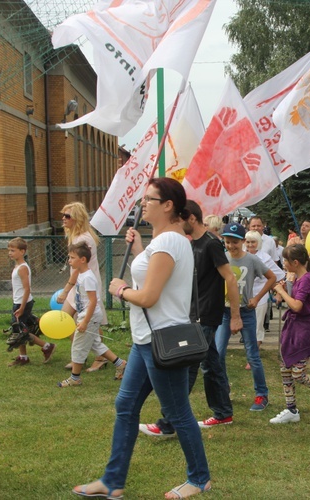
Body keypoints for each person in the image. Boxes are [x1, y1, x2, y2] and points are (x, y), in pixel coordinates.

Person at [74, 178, 211, 499]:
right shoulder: (164, 241)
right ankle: (112, 481)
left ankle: (199, 478)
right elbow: (156, 277)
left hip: (161, 342)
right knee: (126, 405)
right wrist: (138, 251)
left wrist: (121, 289)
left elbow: (149, 296)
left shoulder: (168, 243)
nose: (142, 203)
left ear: (168, 206)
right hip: (146, 341)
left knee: (177, 412)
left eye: (150, 198)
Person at [139, 200, 242, 437]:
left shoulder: (211, 245)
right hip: (194, 314)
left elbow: (231, 279)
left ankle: (169, 424)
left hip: (205, 316)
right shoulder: (191, 243)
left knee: (187, 367)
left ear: (191, 219)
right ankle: (223, 413)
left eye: (179, 219)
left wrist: (235, 316)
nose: (175, 223)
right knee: (211, 366)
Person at [214, 223, 276, 412]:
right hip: (224, 313)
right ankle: (224, 389)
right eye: (227, 242)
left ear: (242, 241)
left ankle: (261, 395)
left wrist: (257, 298)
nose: (231, 246)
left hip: (246, 312)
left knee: (252, 355)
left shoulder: (251, 260)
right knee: (218, 353)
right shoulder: (222, 258)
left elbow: (272, 278)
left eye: (234, 242)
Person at [270, 244, 310, 424]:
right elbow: (293, 302)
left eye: (285, 260)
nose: (283, 263)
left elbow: (297, 306)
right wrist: (283, 292)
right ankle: (291, 410)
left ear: (295, 262)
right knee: (285, 369)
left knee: (298, 373)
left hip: (303, 331)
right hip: (293, 329)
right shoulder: (299, 278)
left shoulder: (306, 280)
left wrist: (282, 291)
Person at [58, 242, 126, 388]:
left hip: (89, 316)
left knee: (77, 346)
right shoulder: (81, 275)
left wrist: (84, 321)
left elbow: (93, 301)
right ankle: (121, 364)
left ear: (82, 259)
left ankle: (75, 378)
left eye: (72, 257)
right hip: (87, 315)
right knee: (95, 344)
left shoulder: (88, 277)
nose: (69, 260)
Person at [56, 202, 109, 372]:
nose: (63, 219)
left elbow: (78, 267)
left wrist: (65, 290)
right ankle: (81, 356)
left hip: (86, 285)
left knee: (87, 321)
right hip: (79, 284)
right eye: (63, 215)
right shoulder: (77, 237)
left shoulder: (84, 239)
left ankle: (98, 357)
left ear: (77, 218)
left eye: (67, 216)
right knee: (72, 320)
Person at [6, 237, 56, 366]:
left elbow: (27, 289)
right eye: (9, 250)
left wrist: (22, 307)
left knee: (21, 332)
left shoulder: (22, 268)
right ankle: (23, 357)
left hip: (22, 303)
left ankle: (47, 346)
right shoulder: (17, 266)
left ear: (22, 251)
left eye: (13, 250)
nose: (10, 253)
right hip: (18, 301)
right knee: (19, 329)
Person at [245, 230, 285, 366]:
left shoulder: (265, 258)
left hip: (259, 297)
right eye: (248, 242)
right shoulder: (242, 256)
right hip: (243, 297)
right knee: (246, 327)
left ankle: (252, 357)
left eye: (253, 242)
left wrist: (277, 292)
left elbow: (279, 275)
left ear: (259, 243)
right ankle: (249, 352)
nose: (250, 245)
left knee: (256, 327)